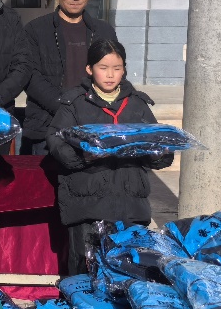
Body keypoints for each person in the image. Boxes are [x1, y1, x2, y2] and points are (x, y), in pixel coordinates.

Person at [46, 39, 174, 275]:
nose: (110, 74)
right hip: (87, 206)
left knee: (128, 272)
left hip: (130, 206)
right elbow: (56, 139)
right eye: (103, 68)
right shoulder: (74, 103)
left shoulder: (136, 104)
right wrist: (85, 155)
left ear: (124, 69)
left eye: (117, 68)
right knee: (85, 271)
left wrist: (160, 151)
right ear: (89, 69)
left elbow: (155, 144)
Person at [23, 0, 117, 154]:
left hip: (94, 126)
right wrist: (67, 108)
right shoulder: (36, 30)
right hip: (47, 126)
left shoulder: (104, 31)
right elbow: (31, 77)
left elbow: (116, 72)